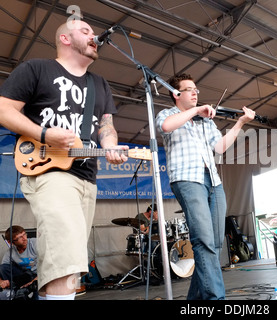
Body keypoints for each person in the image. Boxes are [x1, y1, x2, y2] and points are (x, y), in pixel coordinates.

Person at [0, 20, 128, 300]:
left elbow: (106, 125)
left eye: (93, 33)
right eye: (85, 31)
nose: (94, 36)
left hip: (87, 177)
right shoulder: (36, 69)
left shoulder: (99, 83)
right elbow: (4, 110)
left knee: (66, 259)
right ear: (65, 38)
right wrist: (45, 133)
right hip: (49, 172)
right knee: (67, 253)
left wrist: (111, 146)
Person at [156, 73, 255, 300]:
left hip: (213, 181)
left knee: (215, 242)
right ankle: (215, 299)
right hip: (187, 180)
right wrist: (196, 110)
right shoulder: (168, 114)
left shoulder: (205, 121)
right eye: (189, 89)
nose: (195, 93)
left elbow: (220, 147)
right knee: (202, 240)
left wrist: (240, 123)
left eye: (196, 89)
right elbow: (166, 126)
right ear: (176, 94)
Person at [0, 226, 38, 299]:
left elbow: (49, 266)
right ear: (10, 242)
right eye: (20, 237)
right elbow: (2, 269)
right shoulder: (10, 252)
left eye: (24, 234)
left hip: (39, 276)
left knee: (36, 297)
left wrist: (34, 281)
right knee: (3, 268)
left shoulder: (35, 243)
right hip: (24, 276)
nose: (24, 238)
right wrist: (1, 282)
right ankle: (13, 291)